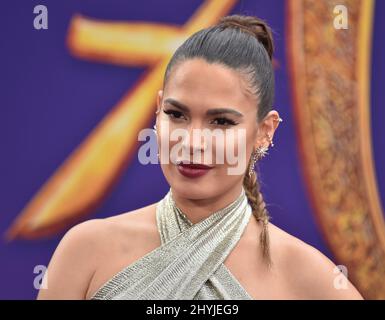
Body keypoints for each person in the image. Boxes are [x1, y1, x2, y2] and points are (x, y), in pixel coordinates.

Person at [37, 14, 363, 300]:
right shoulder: (85, 252)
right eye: (176, 114)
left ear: (265, 130)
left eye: (221, 121)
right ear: (157, 110)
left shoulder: (309, 277)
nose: (192, 142)